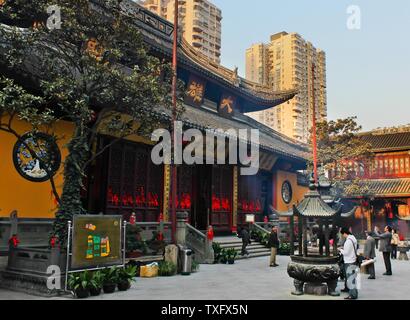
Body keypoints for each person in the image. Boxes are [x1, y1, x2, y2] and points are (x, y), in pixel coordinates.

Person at [339, 227, 359, 300]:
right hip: (353, 260)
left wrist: (340, 250)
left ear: (344, 233)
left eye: (342, 234)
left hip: (349, 261)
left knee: (350, 279)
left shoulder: (348, 241)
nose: (342, 236)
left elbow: (346, 253)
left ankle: (353, 295)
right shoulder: (353, 238)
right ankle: (354, 293)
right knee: (352, 278)